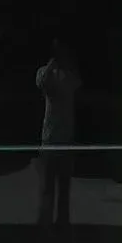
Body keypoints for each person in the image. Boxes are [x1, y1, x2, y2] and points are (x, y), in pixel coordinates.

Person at [35, 39, 81, 230]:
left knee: (64, 185)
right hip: (49, 137)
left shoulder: (69, 75)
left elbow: (76, 84)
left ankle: (63, 221)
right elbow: (41, 82)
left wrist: (65, 69)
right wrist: (50, 67)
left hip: (66, 136)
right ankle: (45, 222)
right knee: (47, 185)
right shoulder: (45, 73)